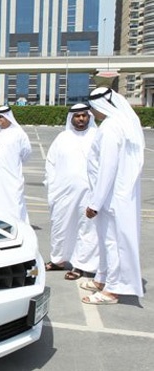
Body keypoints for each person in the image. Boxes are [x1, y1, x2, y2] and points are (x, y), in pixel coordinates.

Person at [80, 87, 145, 305]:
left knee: (112, 242)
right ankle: (103, 278)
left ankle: (112, 290)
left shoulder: (110, 128)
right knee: (108, 240)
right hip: (118, 195)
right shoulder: (122, 123)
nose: (91, 113)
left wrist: (95, 203)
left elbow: (107, 169)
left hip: (110, 197)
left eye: (91, 108)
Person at [44, 103, 99, 280]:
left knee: (87, 228)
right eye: (77, 116)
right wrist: (52, 186)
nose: (81, 119)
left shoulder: (97, 136)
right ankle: (58, 260)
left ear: (89, 117)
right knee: (60, 225)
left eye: (84, 115)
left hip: (89, 192)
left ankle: (82, 265)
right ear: (71, 118)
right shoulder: (62, 137)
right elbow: (51, 163)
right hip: (63, 192)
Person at [0, 106, 32, 223]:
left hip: (12, 176)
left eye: (1, 117)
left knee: (13, 202)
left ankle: (16, 225)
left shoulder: (19, 134)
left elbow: (26, 153)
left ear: (8, 117)